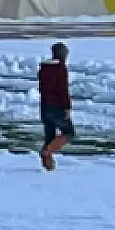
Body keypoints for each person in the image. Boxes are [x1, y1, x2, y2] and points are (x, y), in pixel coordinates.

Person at [38, 42, 74, 170]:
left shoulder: (44, 68)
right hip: (56, 107)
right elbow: (62, 89)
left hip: (44, 107)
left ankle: (48, 165)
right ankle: (47, 152)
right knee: (69, 133)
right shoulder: (60, 68)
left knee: (50, 136)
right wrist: (67, 107)